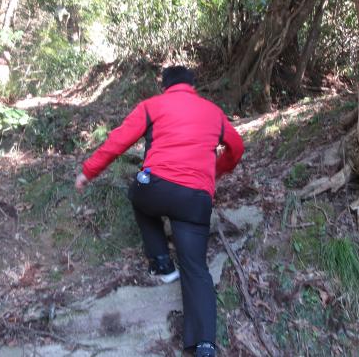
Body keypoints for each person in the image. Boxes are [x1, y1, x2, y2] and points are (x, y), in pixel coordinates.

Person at [75, 66, 244, 357]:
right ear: (192, 85)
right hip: (196, 199)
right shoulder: (213, 112)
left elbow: (118, 141)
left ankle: (163, 263)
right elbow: (237, 147)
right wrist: (215, 172)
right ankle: (203, 344)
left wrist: (88, 172)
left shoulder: (152, 106)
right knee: (197, 268)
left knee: (137, 195)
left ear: (165, 86)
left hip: (155, 189)